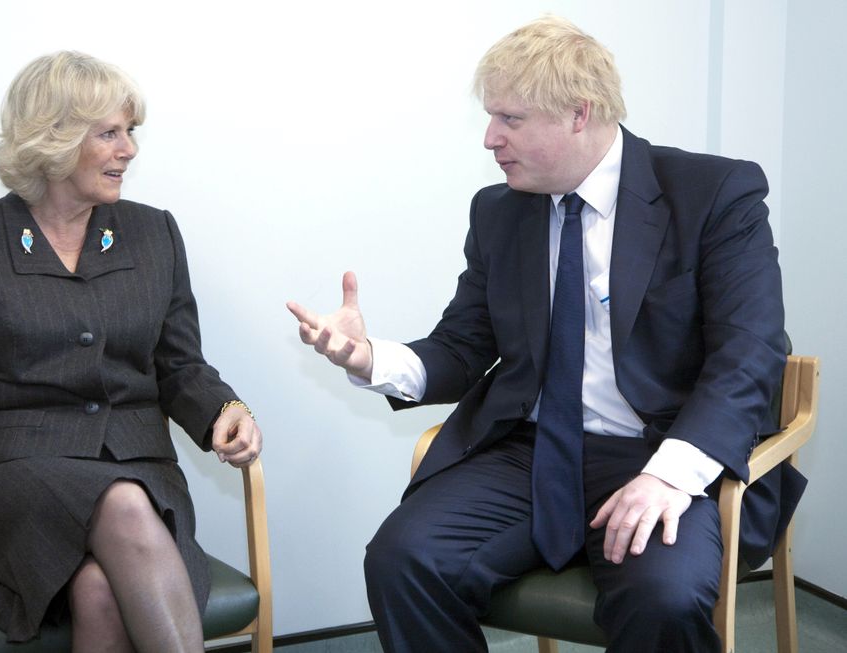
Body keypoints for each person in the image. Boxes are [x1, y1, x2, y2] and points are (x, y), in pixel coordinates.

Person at [287, 16, 800, 653]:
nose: (489, 138)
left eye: (510, 119)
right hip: (531, 451)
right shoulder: (500, 210)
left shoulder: (713, 193)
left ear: (578, 114)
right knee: (403, 559)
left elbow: (748, 355)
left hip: (665, 448)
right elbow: (463, 347)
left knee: (662, 599)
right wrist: (369, 359)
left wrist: (670, 476)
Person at [0, 51, 261, 652]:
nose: (129, 149)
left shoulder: (154, 231)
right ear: (52, 141)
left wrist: (224, 411)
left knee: (100, 589)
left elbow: (180, 366)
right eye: (109, 133)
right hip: (8, 476)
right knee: (124, 504)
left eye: (130, 132)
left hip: (139, 465)